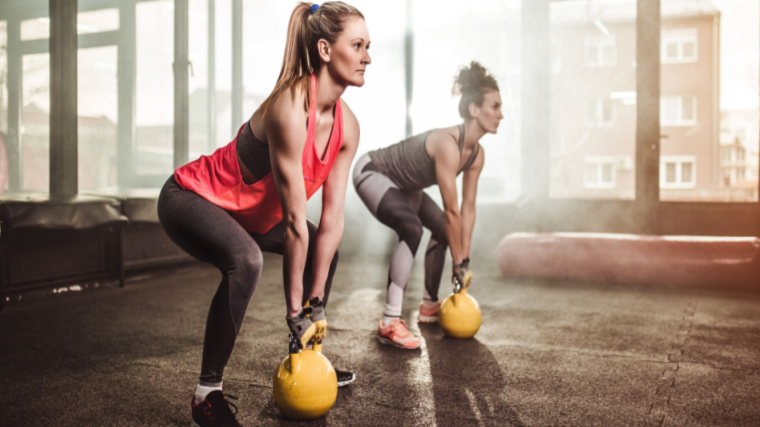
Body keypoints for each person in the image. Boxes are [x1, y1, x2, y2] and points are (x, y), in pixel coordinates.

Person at [157, 2, 370, 425]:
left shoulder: (348, 125)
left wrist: (316, 308)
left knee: (326, 255)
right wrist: (296, 312)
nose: (368, 56)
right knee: (246, 260)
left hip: (249, 217)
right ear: (326, 50)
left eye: (369, 46)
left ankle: (307, 359)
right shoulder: (291, 107)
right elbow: (294, 225)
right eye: (358, 45)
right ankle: (207, 395)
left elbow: (331, 221)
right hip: (191, 198)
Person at [353, 61, 502, 350]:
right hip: (373, 172)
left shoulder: (476, 155)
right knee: (412, 229)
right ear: (474, 110)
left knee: (445, 232)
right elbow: (452, 210)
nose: (501, 114)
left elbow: (468, 209)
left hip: (407, 187)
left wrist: (464, 260)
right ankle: (389, 321)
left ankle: (429, 304)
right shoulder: (447, 143)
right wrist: (458, 264)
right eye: (494, 106)